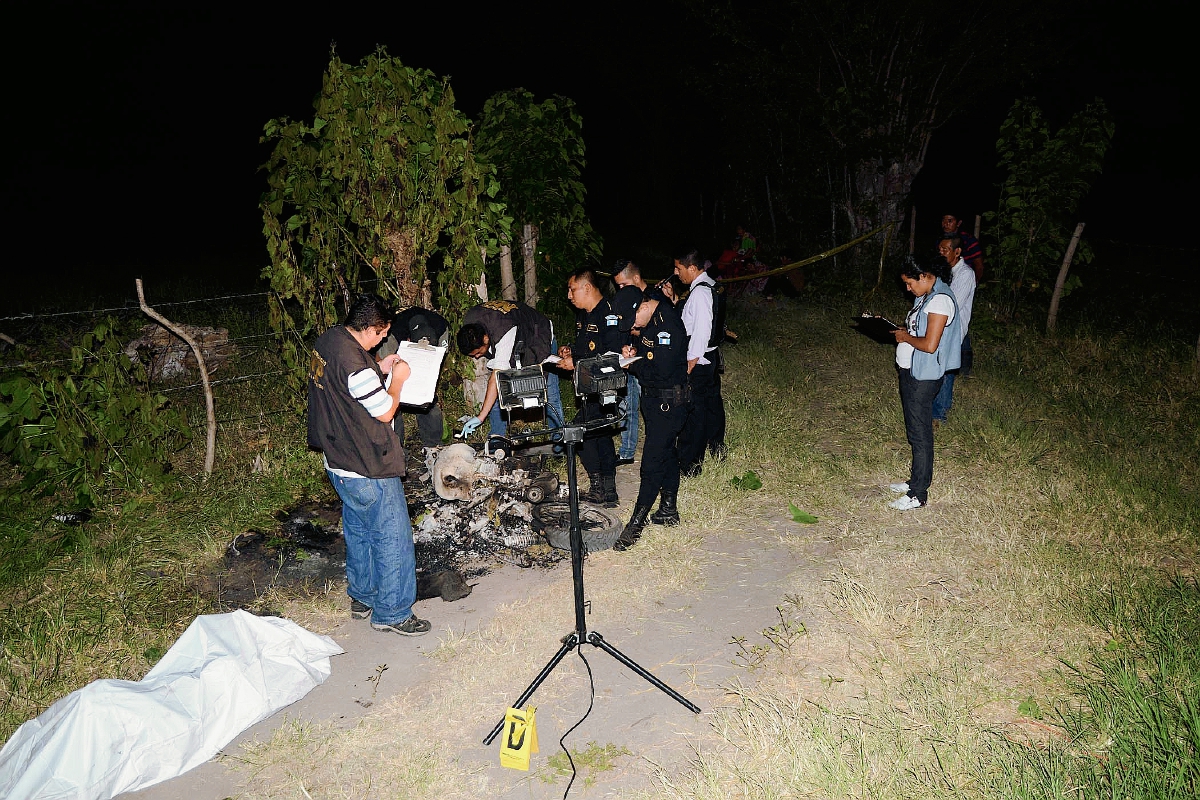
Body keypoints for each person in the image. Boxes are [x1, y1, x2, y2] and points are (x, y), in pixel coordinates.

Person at [307, 294, 430, 635]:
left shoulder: (330, 339)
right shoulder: (356, 364)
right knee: (392, 536)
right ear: (374, 328)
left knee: (360, 530)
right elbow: (385, 411)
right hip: (366, 464)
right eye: (382, 333)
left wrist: (381, 366)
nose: (382, 339)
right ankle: (392, 612)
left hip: (338, 461)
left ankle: (363, 596)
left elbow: (346, 386)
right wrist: (399, 380)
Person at [613, 292, 689, 551]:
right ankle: (668, 509)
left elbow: (661, 370)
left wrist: (631, 365)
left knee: (651, 462)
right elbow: (650, 355)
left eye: (633, 320)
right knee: (665, 453)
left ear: (644, 306)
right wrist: (634, 352)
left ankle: (636, 523)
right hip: (655, 402)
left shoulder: (667, 324)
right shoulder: (651, 321)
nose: (633, 327)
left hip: (670, 403)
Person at [889, 256, 962, 510]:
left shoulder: (940, 300)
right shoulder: (928, 295)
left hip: (925, 376)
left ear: (924, 276)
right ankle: (913, 481)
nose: (908, 289)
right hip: (912, 372)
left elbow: (930, 345)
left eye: (910, 284)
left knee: (920, 435)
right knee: (914, 430)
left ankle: (918, 494)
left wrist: (906, 337)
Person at [555, 268, 628, 507]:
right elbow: (586, 347)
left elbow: (611, 354)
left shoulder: (608, 314)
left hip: (606, 386)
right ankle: (608, 491)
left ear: (587, 288)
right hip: (587, 387)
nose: (569, 295)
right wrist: (570, 351)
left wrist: (575, 362)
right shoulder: (583, 315)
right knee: (600, 434)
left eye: (572, 289)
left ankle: (599, 485)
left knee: (578, 430)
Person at [455, 300, 564, 438]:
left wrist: (480, 417)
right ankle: (497, 438)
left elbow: (495, 379)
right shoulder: (470, 323)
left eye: (478, 352)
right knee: (498, 391)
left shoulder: (503, 331)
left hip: (538, 334)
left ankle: (559, 440)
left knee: (549, 391)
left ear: (486, 338)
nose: (477, 357)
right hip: (517, 332)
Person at [674, 250, 726, 476]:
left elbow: (702, 329)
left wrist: (691, 360)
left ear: (692, 268)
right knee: (712, 405)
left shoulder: (700, 293)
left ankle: (690, 464)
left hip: (701, 359)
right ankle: (717, 447)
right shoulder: (711, 285)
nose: (676, 273)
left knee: (696, 412)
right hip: (710, 357)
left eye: (679, 268)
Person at [376, 306, 449, 449]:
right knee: (391, 402)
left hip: (431, 349)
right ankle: (396, 449)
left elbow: (438, 363)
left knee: (428, 400)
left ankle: (433, 446)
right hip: (397, 360)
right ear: (409, 340)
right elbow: (381, 363)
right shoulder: (392, 333)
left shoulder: (442, 329)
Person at [931, 235, 976, 423]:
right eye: (939, 249)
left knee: (947, 370)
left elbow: (952, 305)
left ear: (957, 252)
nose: (940, 253)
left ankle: (940, 413)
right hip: (939, 324)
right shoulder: (942, 270)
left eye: (945, 250)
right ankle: (934, 408)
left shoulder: (965, 274)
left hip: (954, 328)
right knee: (936, 366)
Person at [613, 260, 650, 465]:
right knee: (627, 405)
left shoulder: (653, 299)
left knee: (651, 408)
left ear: (636, 278)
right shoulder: (624, 301)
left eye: (624, 285)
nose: (620, 290)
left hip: (648, 363)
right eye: (617, 286)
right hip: (629, 360)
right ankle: (627, 452)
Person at [940, 213, 985, 282]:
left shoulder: (969, 241)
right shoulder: (941, 240)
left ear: (958, 223)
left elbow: (979, 266)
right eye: (943, 220)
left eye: (950, 221)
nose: (945, 224)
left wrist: (973, 284)